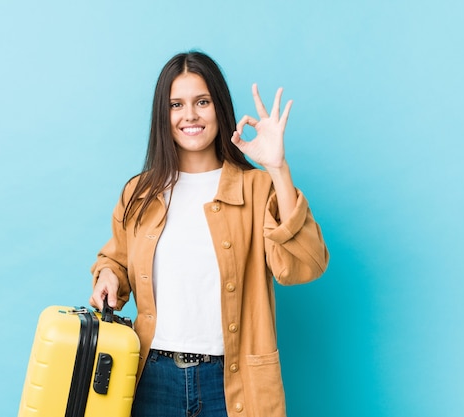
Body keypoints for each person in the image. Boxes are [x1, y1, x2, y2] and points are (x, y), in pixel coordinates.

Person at [89, 51, 329, 417]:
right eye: (176, 104)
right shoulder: (139, 193)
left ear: (219, 107)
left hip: (232, 382)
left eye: (202, 101)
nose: (190, 115)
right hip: (151, 379)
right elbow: (117, 258)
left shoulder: (257, 187)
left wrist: (278, 169)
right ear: (162, 115)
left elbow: (302, 266)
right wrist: (108, 274)